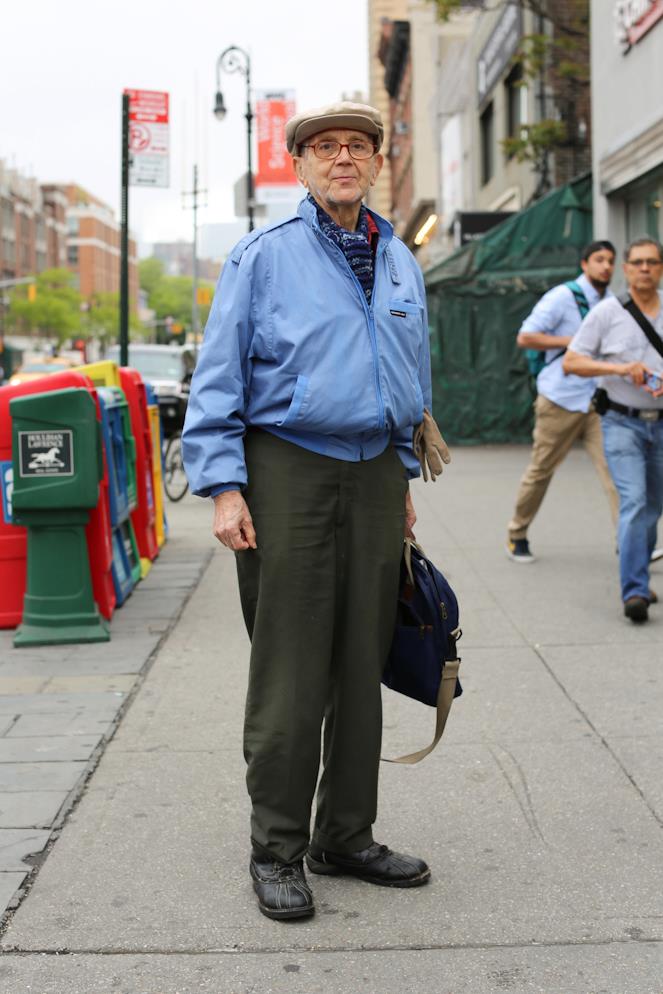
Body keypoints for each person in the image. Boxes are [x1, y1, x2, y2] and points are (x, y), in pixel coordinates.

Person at [182, 102, 436, 921]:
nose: (342, 158)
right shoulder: (261, 256)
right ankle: (277, 848)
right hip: (285, 467)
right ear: (299, 165)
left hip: (374, 473)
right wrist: (224, 487)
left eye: (357, 146)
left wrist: (401, 478)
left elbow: (409, 373)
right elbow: (218, 375)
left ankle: (345, 836)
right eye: (324, 147)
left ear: (376, 164)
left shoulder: (399, 259)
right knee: (291, 671)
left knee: (362, 662)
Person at [563, 237, 663, 622]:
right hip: (622, 421)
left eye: (651, 262)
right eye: (637, 262)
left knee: (653, 506)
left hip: (661, 424)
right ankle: (634, 590)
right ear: (626, 269)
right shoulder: (607, 312)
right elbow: (572, 361)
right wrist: (621, 369)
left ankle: (638, 573)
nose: (644, 269)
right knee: (634, 501)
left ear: (660, 268)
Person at [506, 241, 619, 562]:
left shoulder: (612, 303)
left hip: (598, 400)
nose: (606, 266)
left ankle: (630, 543)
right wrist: (577, 341)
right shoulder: (562, 297)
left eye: (610, 261)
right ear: (585, 264)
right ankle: (517, 533)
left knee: (616, 473)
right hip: (560, 399)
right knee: (541, 471)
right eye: (599, 259)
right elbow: (526, 336)